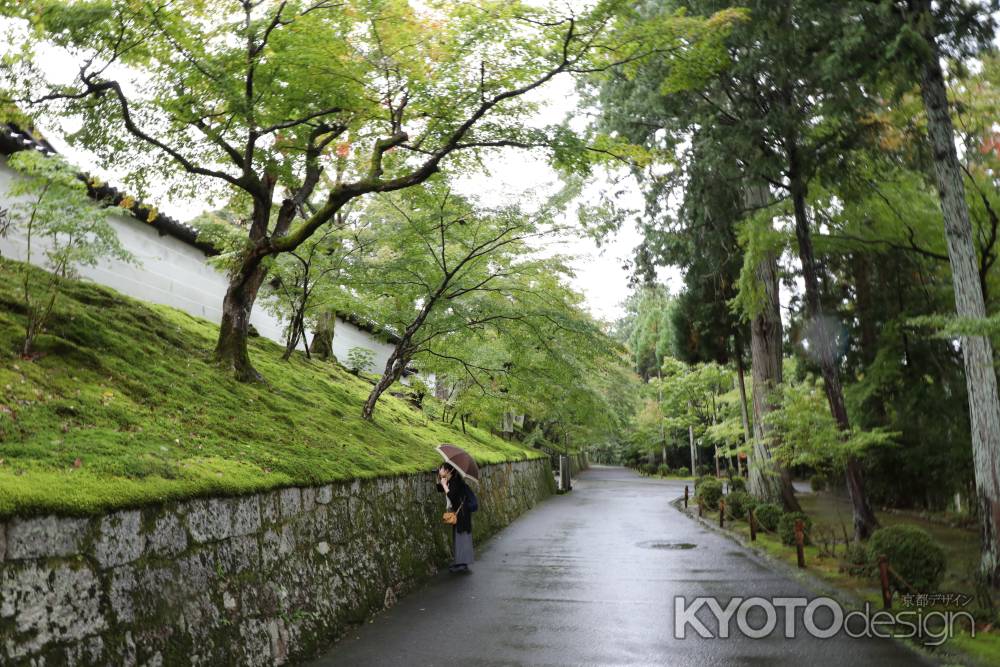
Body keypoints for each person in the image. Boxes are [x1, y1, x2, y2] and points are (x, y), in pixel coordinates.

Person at [436, 463, 473, 573]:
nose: (439, 470)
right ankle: (460, 562)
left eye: (441, 469)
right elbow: (440, 489)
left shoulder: (455, 481)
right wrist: (441, 481)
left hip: (462, 514)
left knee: (461, 537)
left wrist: (445, 486)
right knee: (458, 537)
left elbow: (452, 496)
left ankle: (462, 564)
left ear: (448, 471)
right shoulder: (451, 480)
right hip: (458, 513)